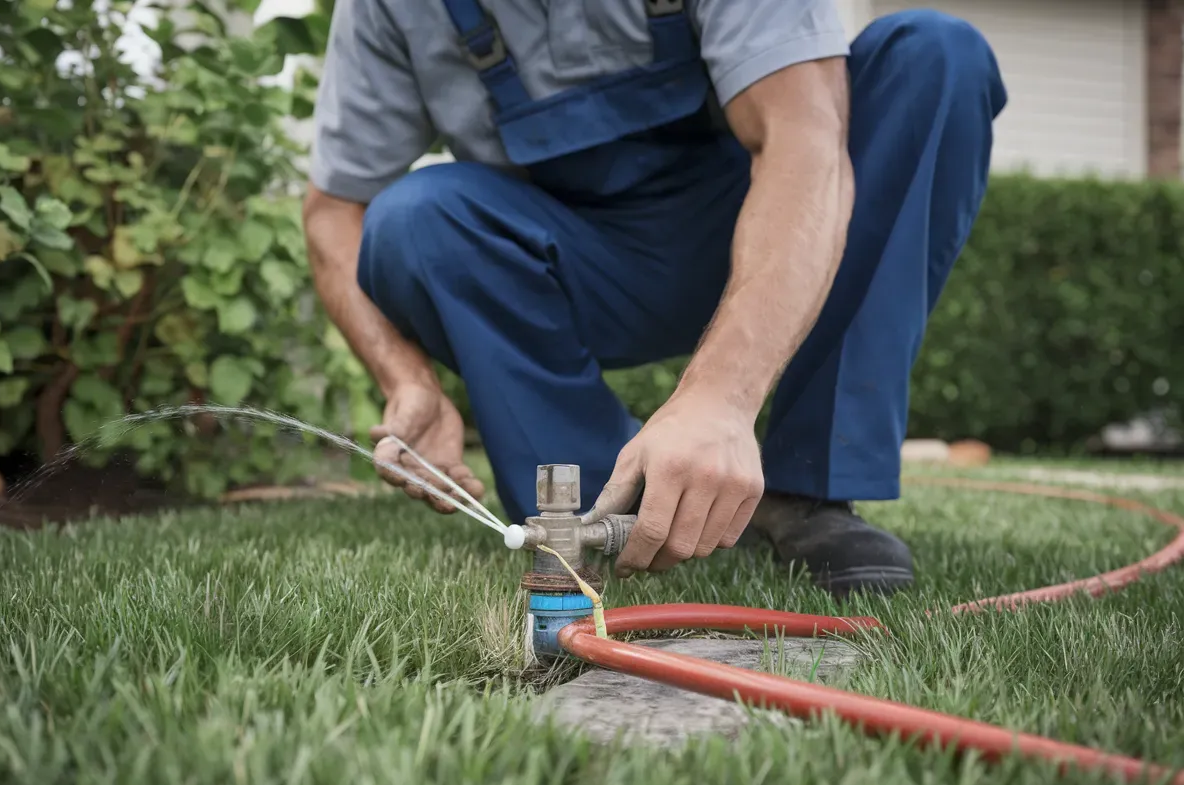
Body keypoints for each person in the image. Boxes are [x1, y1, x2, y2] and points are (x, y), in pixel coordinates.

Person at [302, 0, 1007, 596]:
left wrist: (720, 399)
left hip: (768, 231)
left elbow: (805, 137)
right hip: (578, 262)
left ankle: (806, 488)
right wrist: (406, 379)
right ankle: (606, 500)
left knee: (935, 60)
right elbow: (334, 211)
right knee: (413, 220)